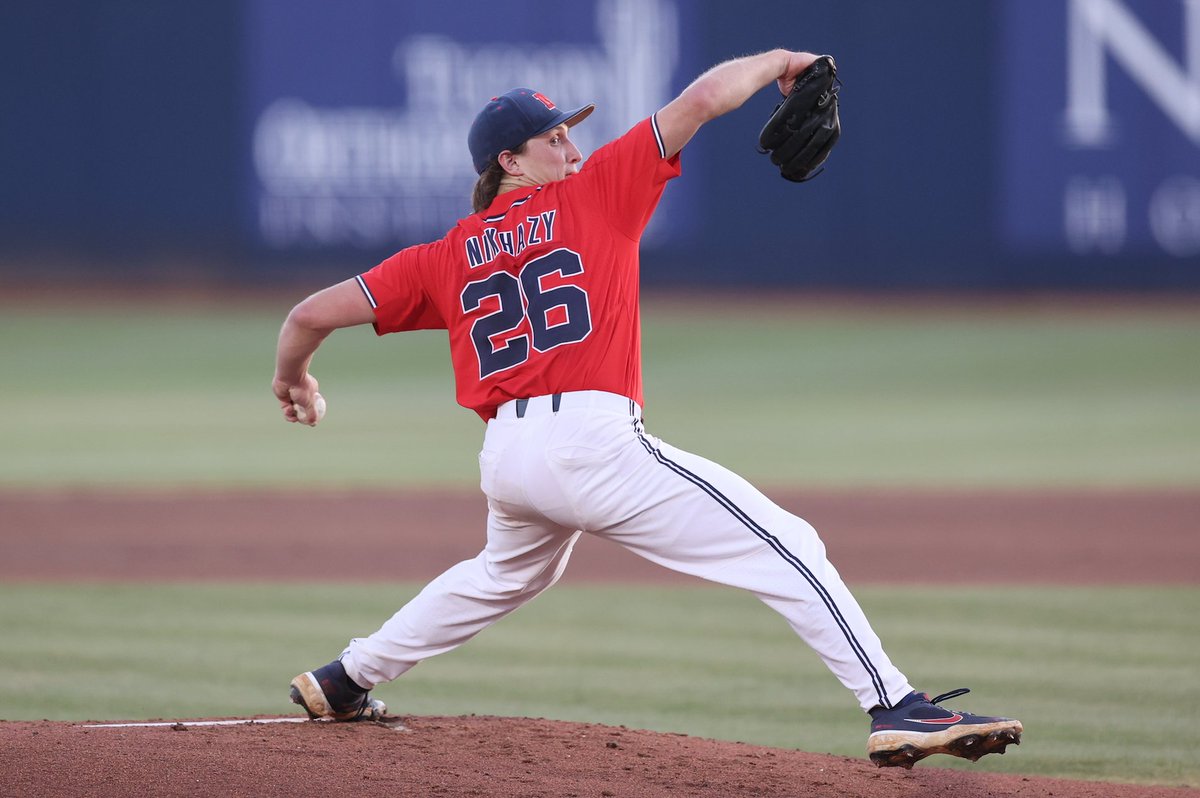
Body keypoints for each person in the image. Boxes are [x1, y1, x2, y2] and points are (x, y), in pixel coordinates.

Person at [272, 48, 1022, 769]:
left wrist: (294, 380)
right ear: (509, 161)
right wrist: (781, 62)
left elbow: (308, 312)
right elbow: (700, 102)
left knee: (506, 574)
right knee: (788, 542)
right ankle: (894, 705)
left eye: (572, 132)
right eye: (554, 136)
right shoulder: (596, 191)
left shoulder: (441, 256)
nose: (572, 145)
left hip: (506, 458)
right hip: (592, 446)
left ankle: (345, 678)